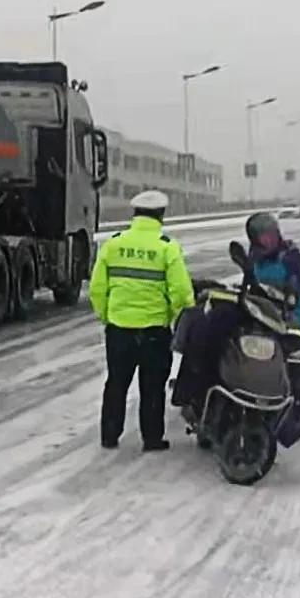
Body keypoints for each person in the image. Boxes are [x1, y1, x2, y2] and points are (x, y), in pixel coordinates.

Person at [90, 189, 195, 452]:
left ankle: (109, 435)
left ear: (134, 214)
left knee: (116, 383)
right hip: (153, 331)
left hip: (119, 329)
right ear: (161, 215)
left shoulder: (113, 244)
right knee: (152, 387)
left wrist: (108, 316)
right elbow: (182, 293)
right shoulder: (166, 247)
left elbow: (96, 288)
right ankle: (151, 439)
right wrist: (169, 317)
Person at [244, 212, 300, 345]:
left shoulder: (289, 254)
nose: (270, 240)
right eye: (264, 237)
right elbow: (250, 280)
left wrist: (292, 289)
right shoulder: (254, 258)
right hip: (264, 311)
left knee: (298, 344)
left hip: (291, 310)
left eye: (272, 235)